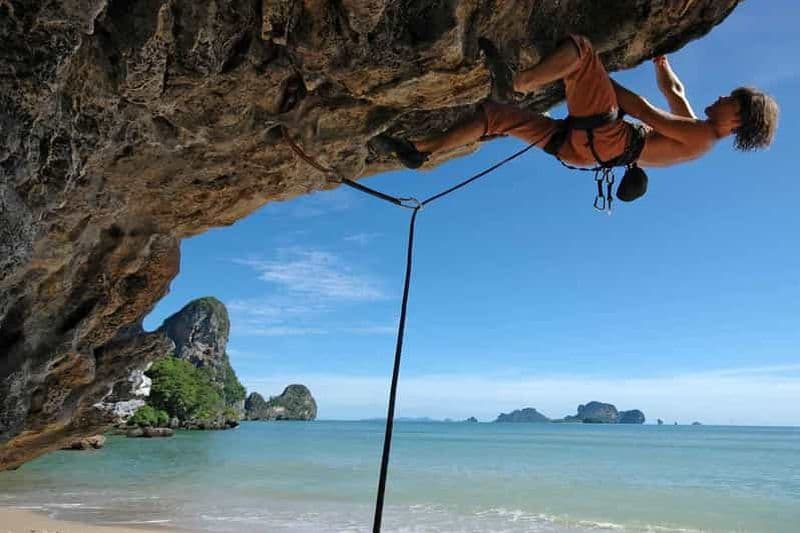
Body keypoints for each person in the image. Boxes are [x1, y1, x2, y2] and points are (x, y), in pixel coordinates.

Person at [370, 35, 778, 202]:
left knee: (581, 51)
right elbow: (675, 94)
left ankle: (519, 81)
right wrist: (661, 61)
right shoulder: (696, 131)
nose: (721, 96)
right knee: (496, 117)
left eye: (731, 100)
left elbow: (642, 110)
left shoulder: (703, 138)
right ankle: (419, 150)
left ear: (738, 120)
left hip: (608, 139)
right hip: (583, 151)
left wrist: (597, 78)